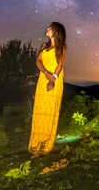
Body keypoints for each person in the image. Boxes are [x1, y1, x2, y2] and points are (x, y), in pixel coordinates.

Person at [28, 22, 67, 159]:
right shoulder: (44, 46)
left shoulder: (62, 47)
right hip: (43, 78)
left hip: (54, 79)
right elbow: (38, 61)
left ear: (56, 31)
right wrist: (45, 73)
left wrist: (52, 79)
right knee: (40, 112)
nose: (47, 29)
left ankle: (46, 146)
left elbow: (60, 64)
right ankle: (36, 146)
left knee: (49, 113)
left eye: (50, 28)